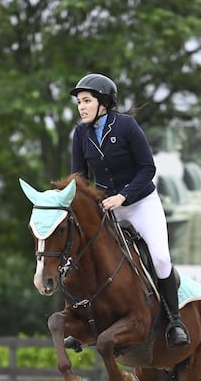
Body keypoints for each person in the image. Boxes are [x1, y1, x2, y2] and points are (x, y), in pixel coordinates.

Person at [67, 73, 190, 349]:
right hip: (108, 209)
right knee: (91, 259)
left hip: (141, 205)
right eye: (79, 103)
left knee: (159, 258)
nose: (81, 107)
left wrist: (123, 196)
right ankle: (86, 325)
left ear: (103, 103)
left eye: (86, 101)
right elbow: (79, 176)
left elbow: (148, 168)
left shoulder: (126, 126)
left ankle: (174, 322)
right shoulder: (81, 134)